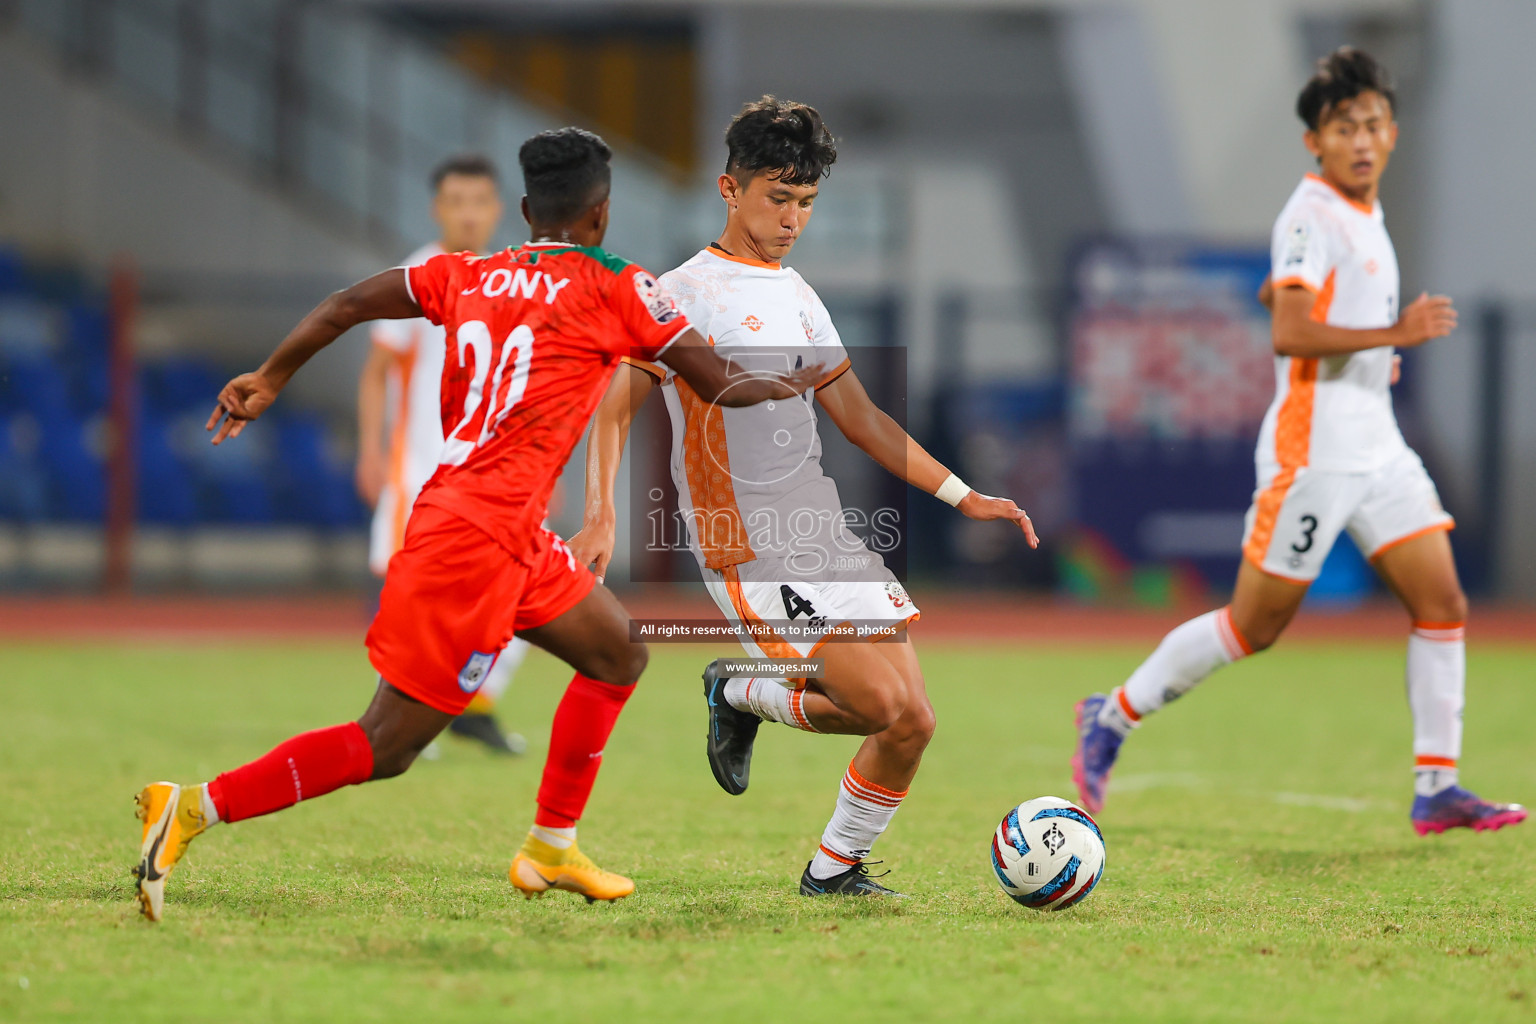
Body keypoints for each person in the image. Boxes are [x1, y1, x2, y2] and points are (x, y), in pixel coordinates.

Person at [132, 127, 824, 922]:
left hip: (495, 523)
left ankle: (549, 849)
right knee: (388, 745)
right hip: (476, 541)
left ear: (527, 209)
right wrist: (803, 375)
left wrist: (269, 376)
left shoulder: (465, 272)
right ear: (600, 214)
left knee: (615, 653)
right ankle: (190, 808)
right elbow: (721, 382)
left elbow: (346, 305)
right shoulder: (619, 284)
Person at [570, 97, 1038, 897]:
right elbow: (613, 407)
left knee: (912, 722)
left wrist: (965, 496)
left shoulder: (798, 294)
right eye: (777, 199)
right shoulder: (678, 292)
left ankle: (834, 869)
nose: (793, 219)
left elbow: (859, 417)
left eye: (807, 203)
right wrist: (602, 513)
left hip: (822, 530)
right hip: (746, 542)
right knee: (871, 702)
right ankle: (740, 689)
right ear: (729, 188)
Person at [1071, 48, 1525, 837]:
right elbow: (1288, 330)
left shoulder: (1367, 214)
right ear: (1314, 140)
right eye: (1342, 126)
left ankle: (1437, 785)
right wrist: (1396, 333)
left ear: (1393, 133)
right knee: (1256, 626)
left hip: (1378, 448)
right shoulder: (1309, 215)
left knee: (1442, 602)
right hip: (1312, 452)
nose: (1361, 138)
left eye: (1374, 123)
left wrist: (1377, 356)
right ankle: (1111, 715)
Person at [356, 153, 526, 755]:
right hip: (421, 465)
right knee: (415, 595)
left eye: (480, 201)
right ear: (438, 208)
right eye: (456, 201)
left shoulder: (512, 276)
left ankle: (475, 705)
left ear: (498, 208)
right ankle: (401, 719)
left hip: (491, 467)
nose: (469, 213)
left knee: (519, 584)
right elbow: (377, 371)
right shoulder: (417, 272)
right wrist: (371, 450)